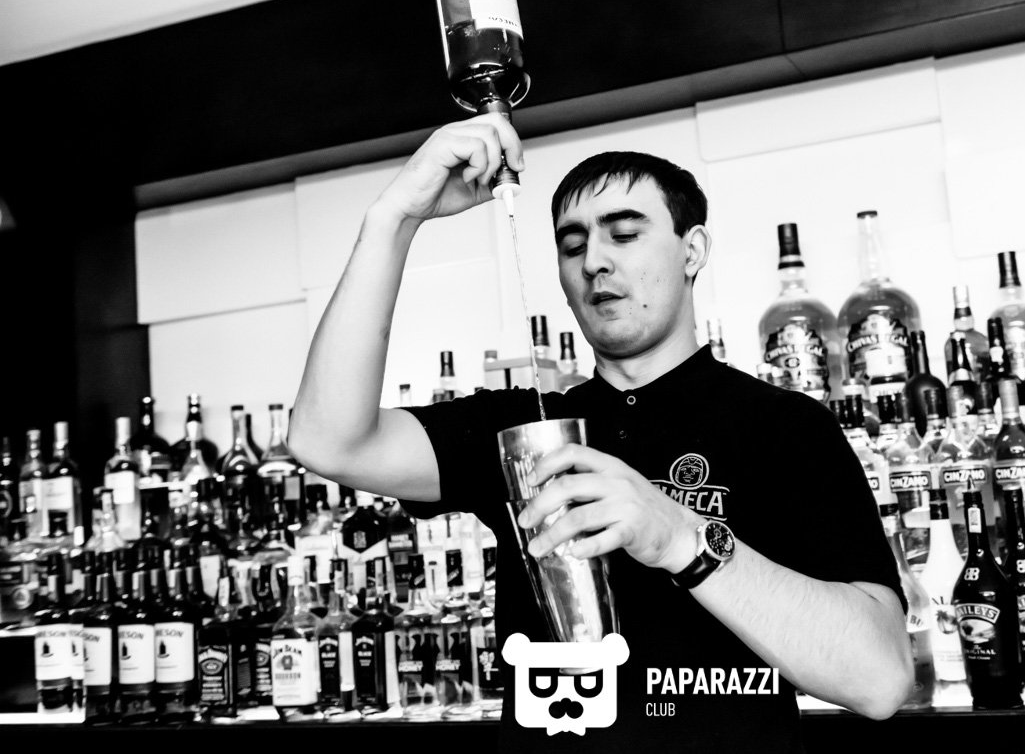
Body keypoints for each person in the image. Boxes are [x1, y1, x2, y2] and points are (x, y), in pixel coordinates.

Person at [288, 112, 913, 751]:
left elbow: (881, 679)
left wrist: (678, 535)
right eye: (572, 245)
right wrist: (395, 217)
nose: (594, 261)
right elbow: (325, 440)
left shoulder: (786, 426)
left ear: (693, 250)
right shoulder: (523, 430)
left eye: (625, 234)